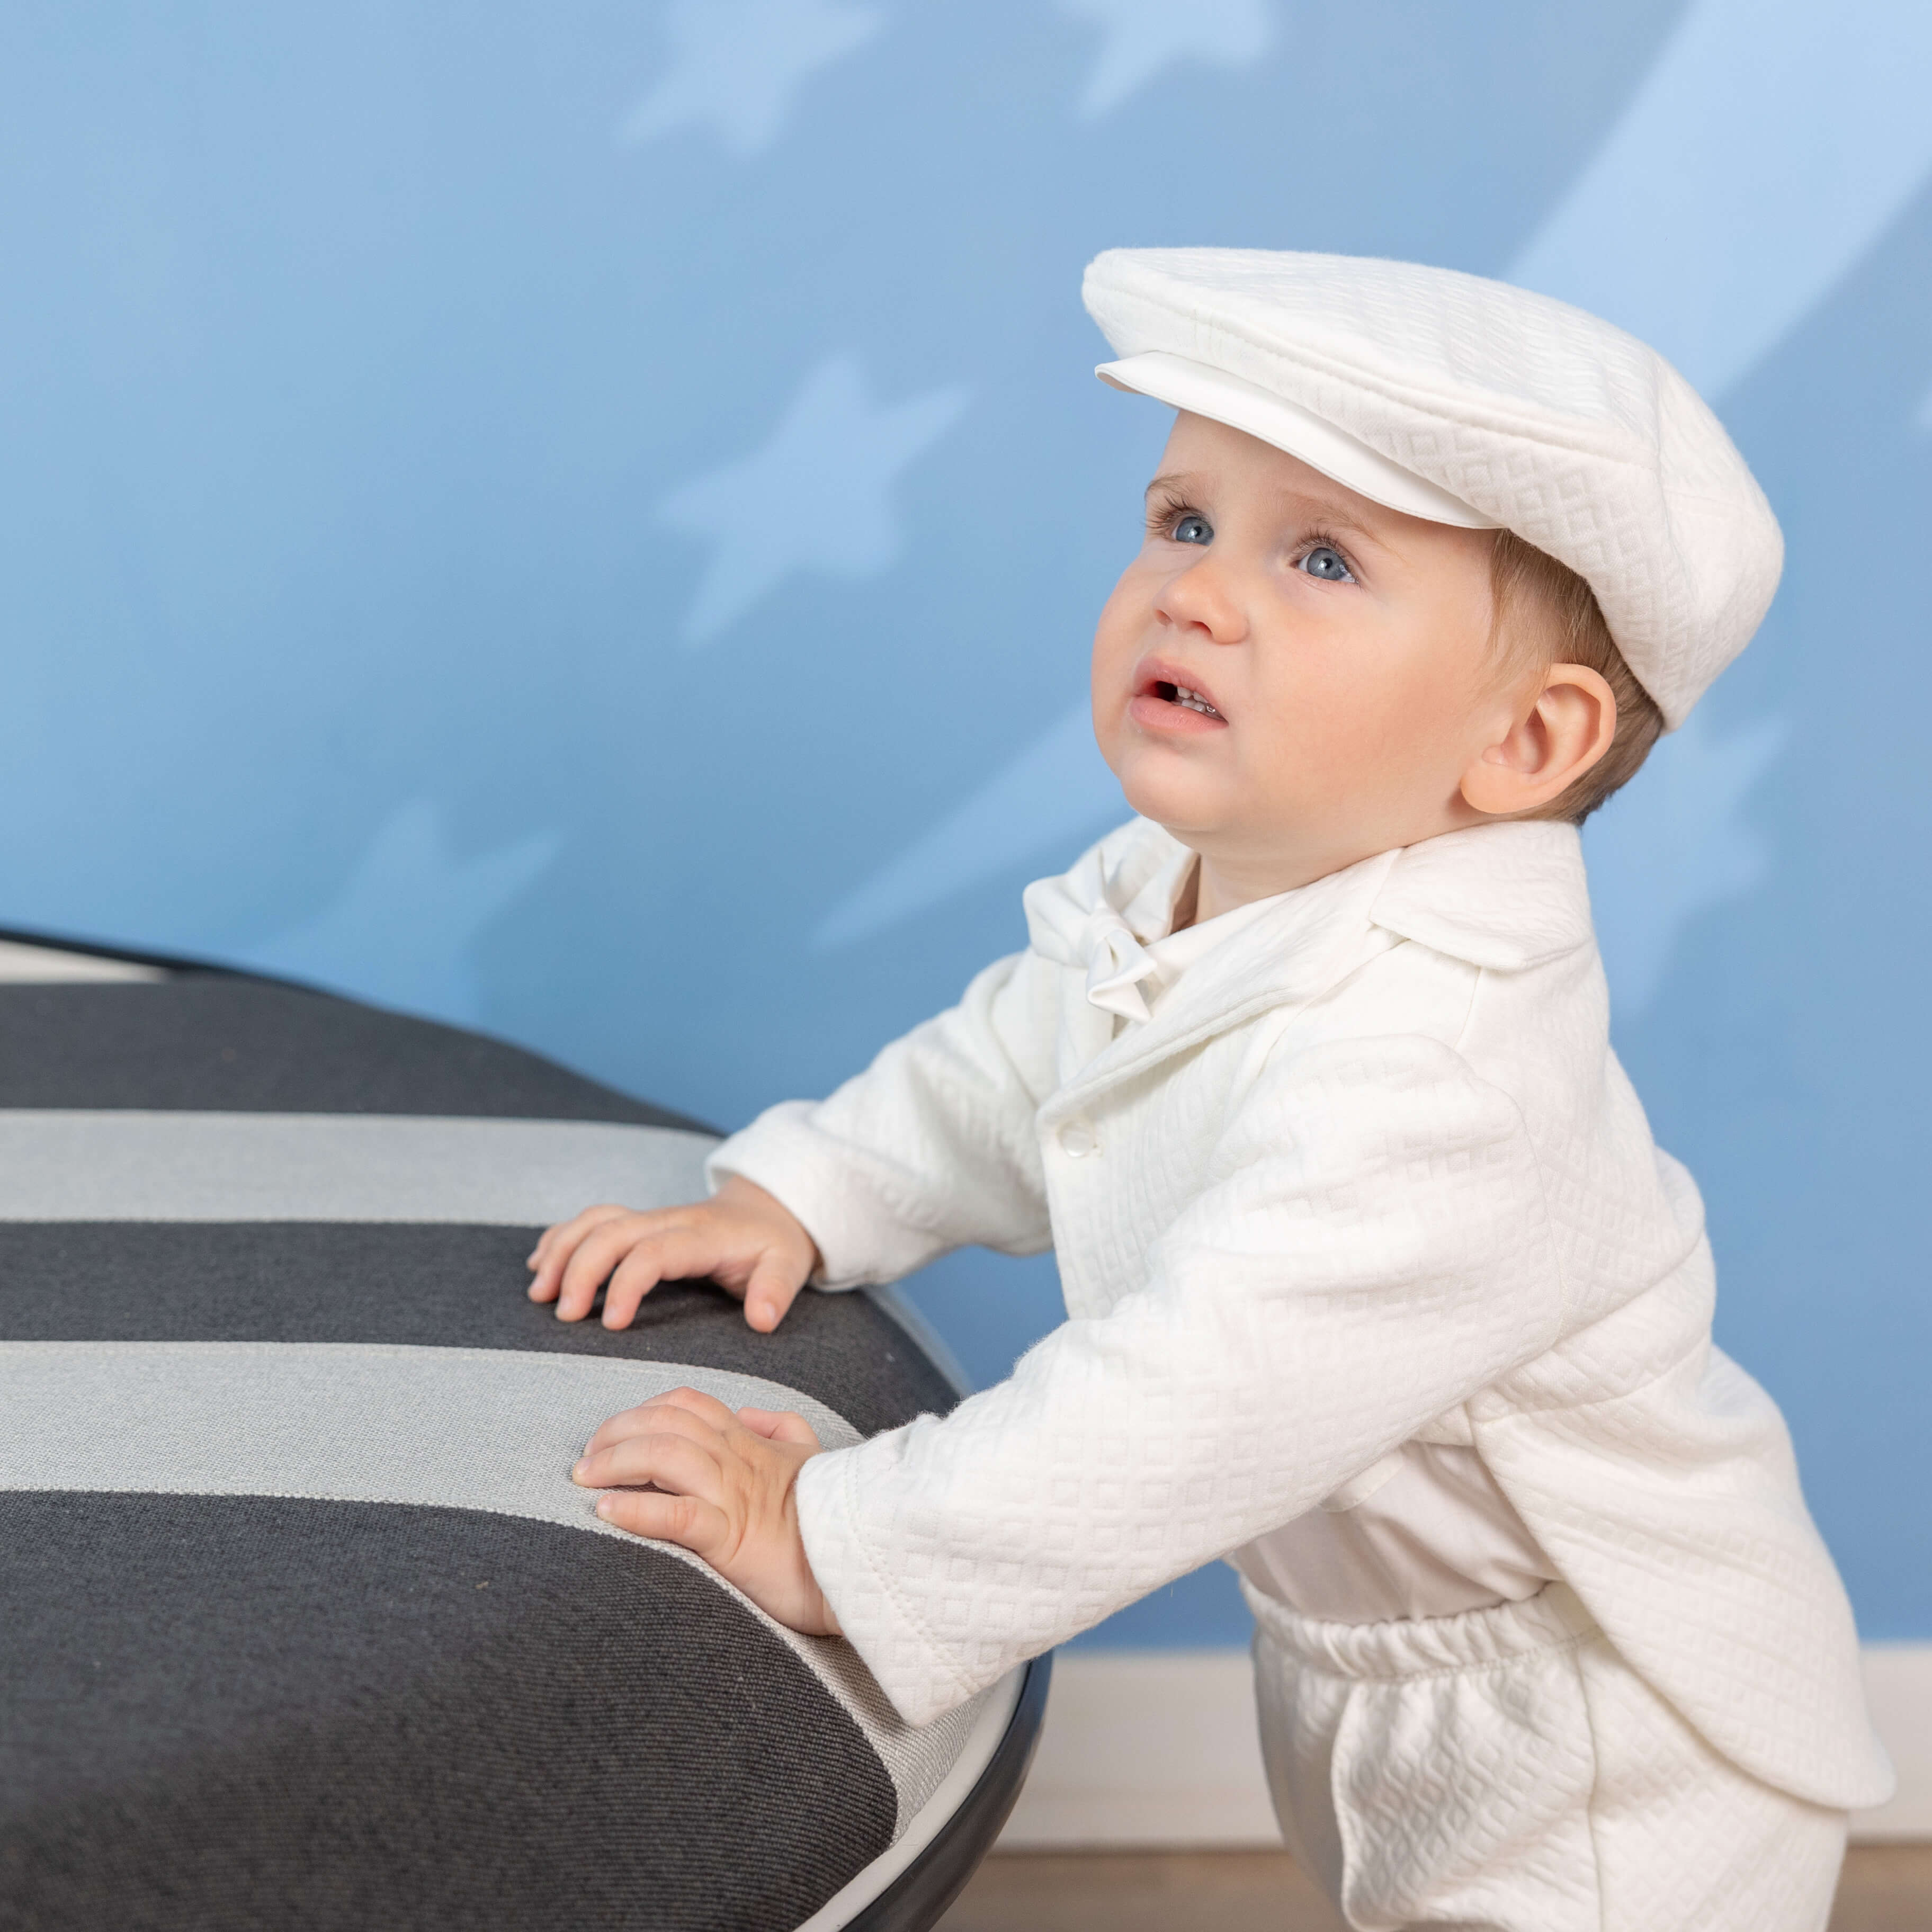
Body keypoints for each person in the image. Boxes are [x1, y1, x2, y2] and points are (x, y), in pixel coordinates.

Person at [527, 249, 1892, 1930]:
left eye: (1321, 557)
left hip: (1604, 1727)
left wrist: (832, 1536)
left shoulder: (1452, 1076)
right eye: (1184, 521)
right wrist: (808, 1189)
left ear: (1524, 746)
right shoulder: (1192, 883)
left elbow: (1184, 1402)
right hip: (1372, 1663)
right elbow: (1032, 1057)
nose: (1197, 593)